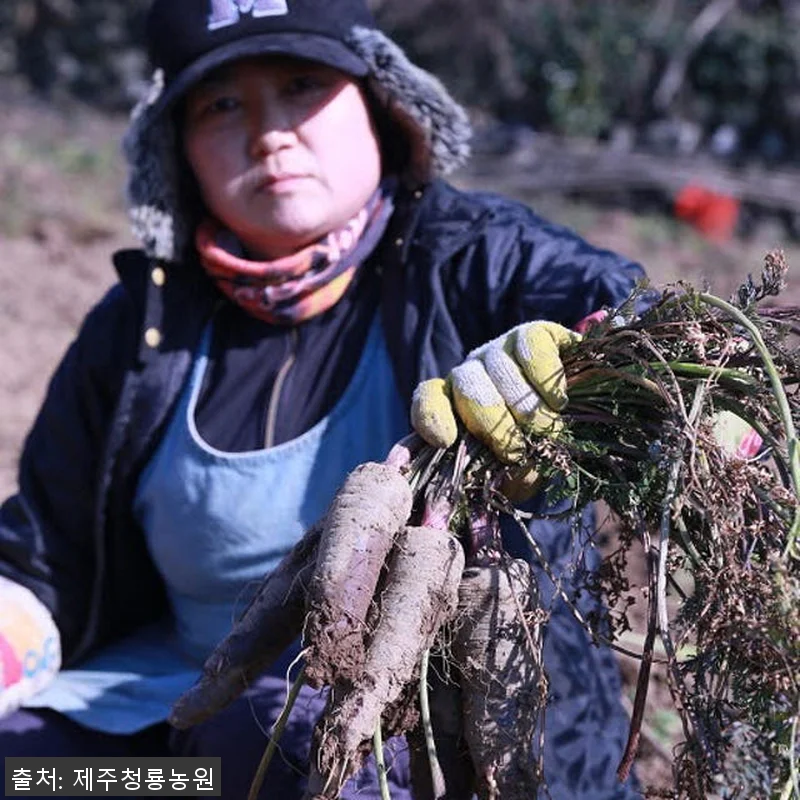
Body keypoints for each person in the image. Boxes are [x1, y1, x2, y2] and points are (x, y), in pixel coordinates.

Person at [0, 0, 646, 797]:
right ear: (178, 149)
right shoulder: (141, 324)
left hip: (411, 734)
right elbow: (47, 555)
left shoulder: (478, 259)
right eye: (222, 104)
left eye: (302, 85)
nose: (269, 134)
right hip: (160, 741)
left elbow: (630, 310)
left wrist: (577, 354)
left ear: (381, 103)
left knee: (286, 747)